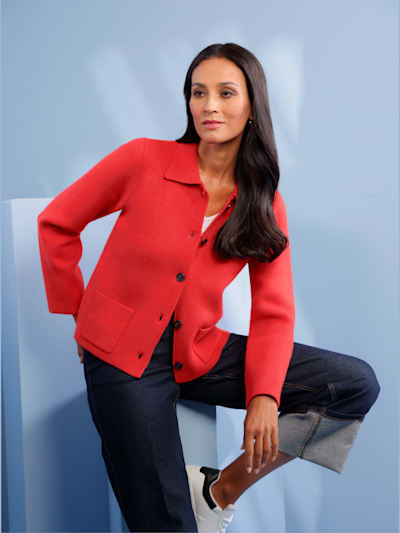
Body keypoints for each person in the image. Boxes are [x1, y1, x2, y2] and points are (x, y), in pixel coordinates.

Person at [37, 42, 381, 533]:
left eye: (225, 93)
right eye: (199, 93)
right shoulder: (144, 159)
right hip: (121, 360)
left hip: (197, 351)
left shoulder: (263, 202)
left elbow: (273, 311)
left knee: (352, 385)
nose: (209, 106)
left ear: (252, 106)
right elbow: (57, 223)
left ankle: (218, 491)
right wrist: (81, 313)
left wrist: (264, 396)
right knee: (167, 524)